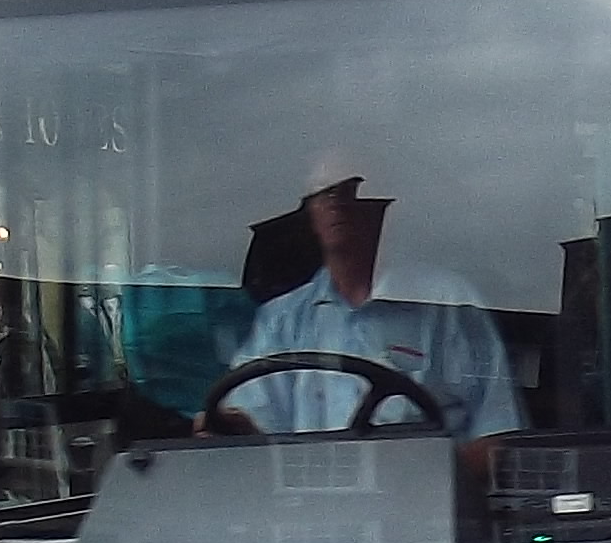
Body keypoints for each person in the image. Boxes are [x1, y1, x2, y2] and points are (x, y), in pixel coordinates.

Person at [216, 152, 527, 438]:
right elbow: (250, 426)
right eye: (324, 191)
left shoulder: (447, 302)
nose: (336, 203)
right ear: (310, 210)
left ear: (380, 204)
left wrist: (441, 473)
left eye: (351, 189)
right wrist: (226, 425)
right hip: (305, 494)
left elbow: (497, 434)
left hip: (425, 493)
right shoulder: (281, 321)